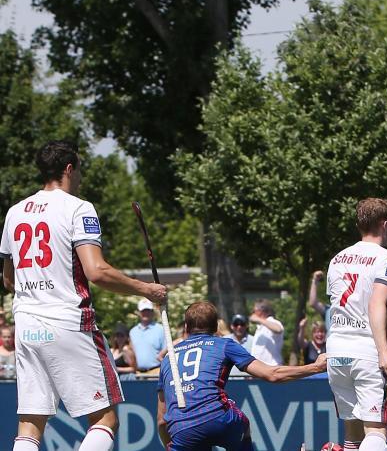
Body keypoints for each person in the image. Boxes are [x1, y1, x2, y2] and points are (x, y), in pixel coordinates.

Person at [0, 140, 167, 451]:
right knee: (105, 420)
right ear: (68, 169)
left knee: (30, 423)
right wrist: (147, 289)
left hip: (26, 326)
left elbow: (8, 279)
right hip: (69, 322)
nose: (80, 177)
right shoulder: (79, 207)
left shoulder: (14, 212)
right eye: (79, 170)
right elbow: (97, 272)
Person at [157, 301, 327, 450]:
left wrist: (171, 446)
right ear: (216, 327)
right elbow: (272, 374)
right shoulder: (224, 344)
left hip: (182, 429)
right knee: (243, 425)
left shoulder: (167, 359)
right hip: (218, 418)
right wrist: (316, 367)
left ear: (186, 327)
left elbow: (162, 421)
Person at [326, 197, 387, 451]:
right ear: (384, 224)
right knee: (376, 431)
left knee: (352, 429)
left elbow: (338, 305)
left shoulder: (337, 259)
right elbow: (375, 303)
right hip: (367, 350)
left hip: (337, 349)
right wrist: (384, 350)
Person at [130, 298, 166, 374]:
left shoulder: (161, 329)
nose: (145, 313)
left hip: (156, 372)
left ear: (152, 312)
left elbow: (166, 353)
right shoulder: (132, 332)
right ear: (139, 313)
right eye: (143, 311)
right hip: (137, 374)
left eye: (148, 310)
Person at [250, 299, 284, 366]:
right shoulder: (261, 327)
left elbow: (278, 329)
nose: (252, 313)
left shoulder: (273, 322)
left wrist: (258, 319)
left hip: (271, 367)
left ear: (260, 311)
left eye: (254, 311)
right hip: (260, 369)